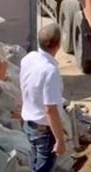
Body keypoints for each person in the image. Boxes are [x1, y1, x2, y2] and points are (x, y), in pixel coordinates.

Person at [20, 23, 66, 172]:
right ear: (58, 44)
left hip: (29, 125)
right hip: (44, 132)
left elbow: (27, 87)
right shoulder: (50, 71)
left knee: (34, 166)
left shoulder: (28, 59)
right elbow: (50, 109)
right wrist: (59, 140)